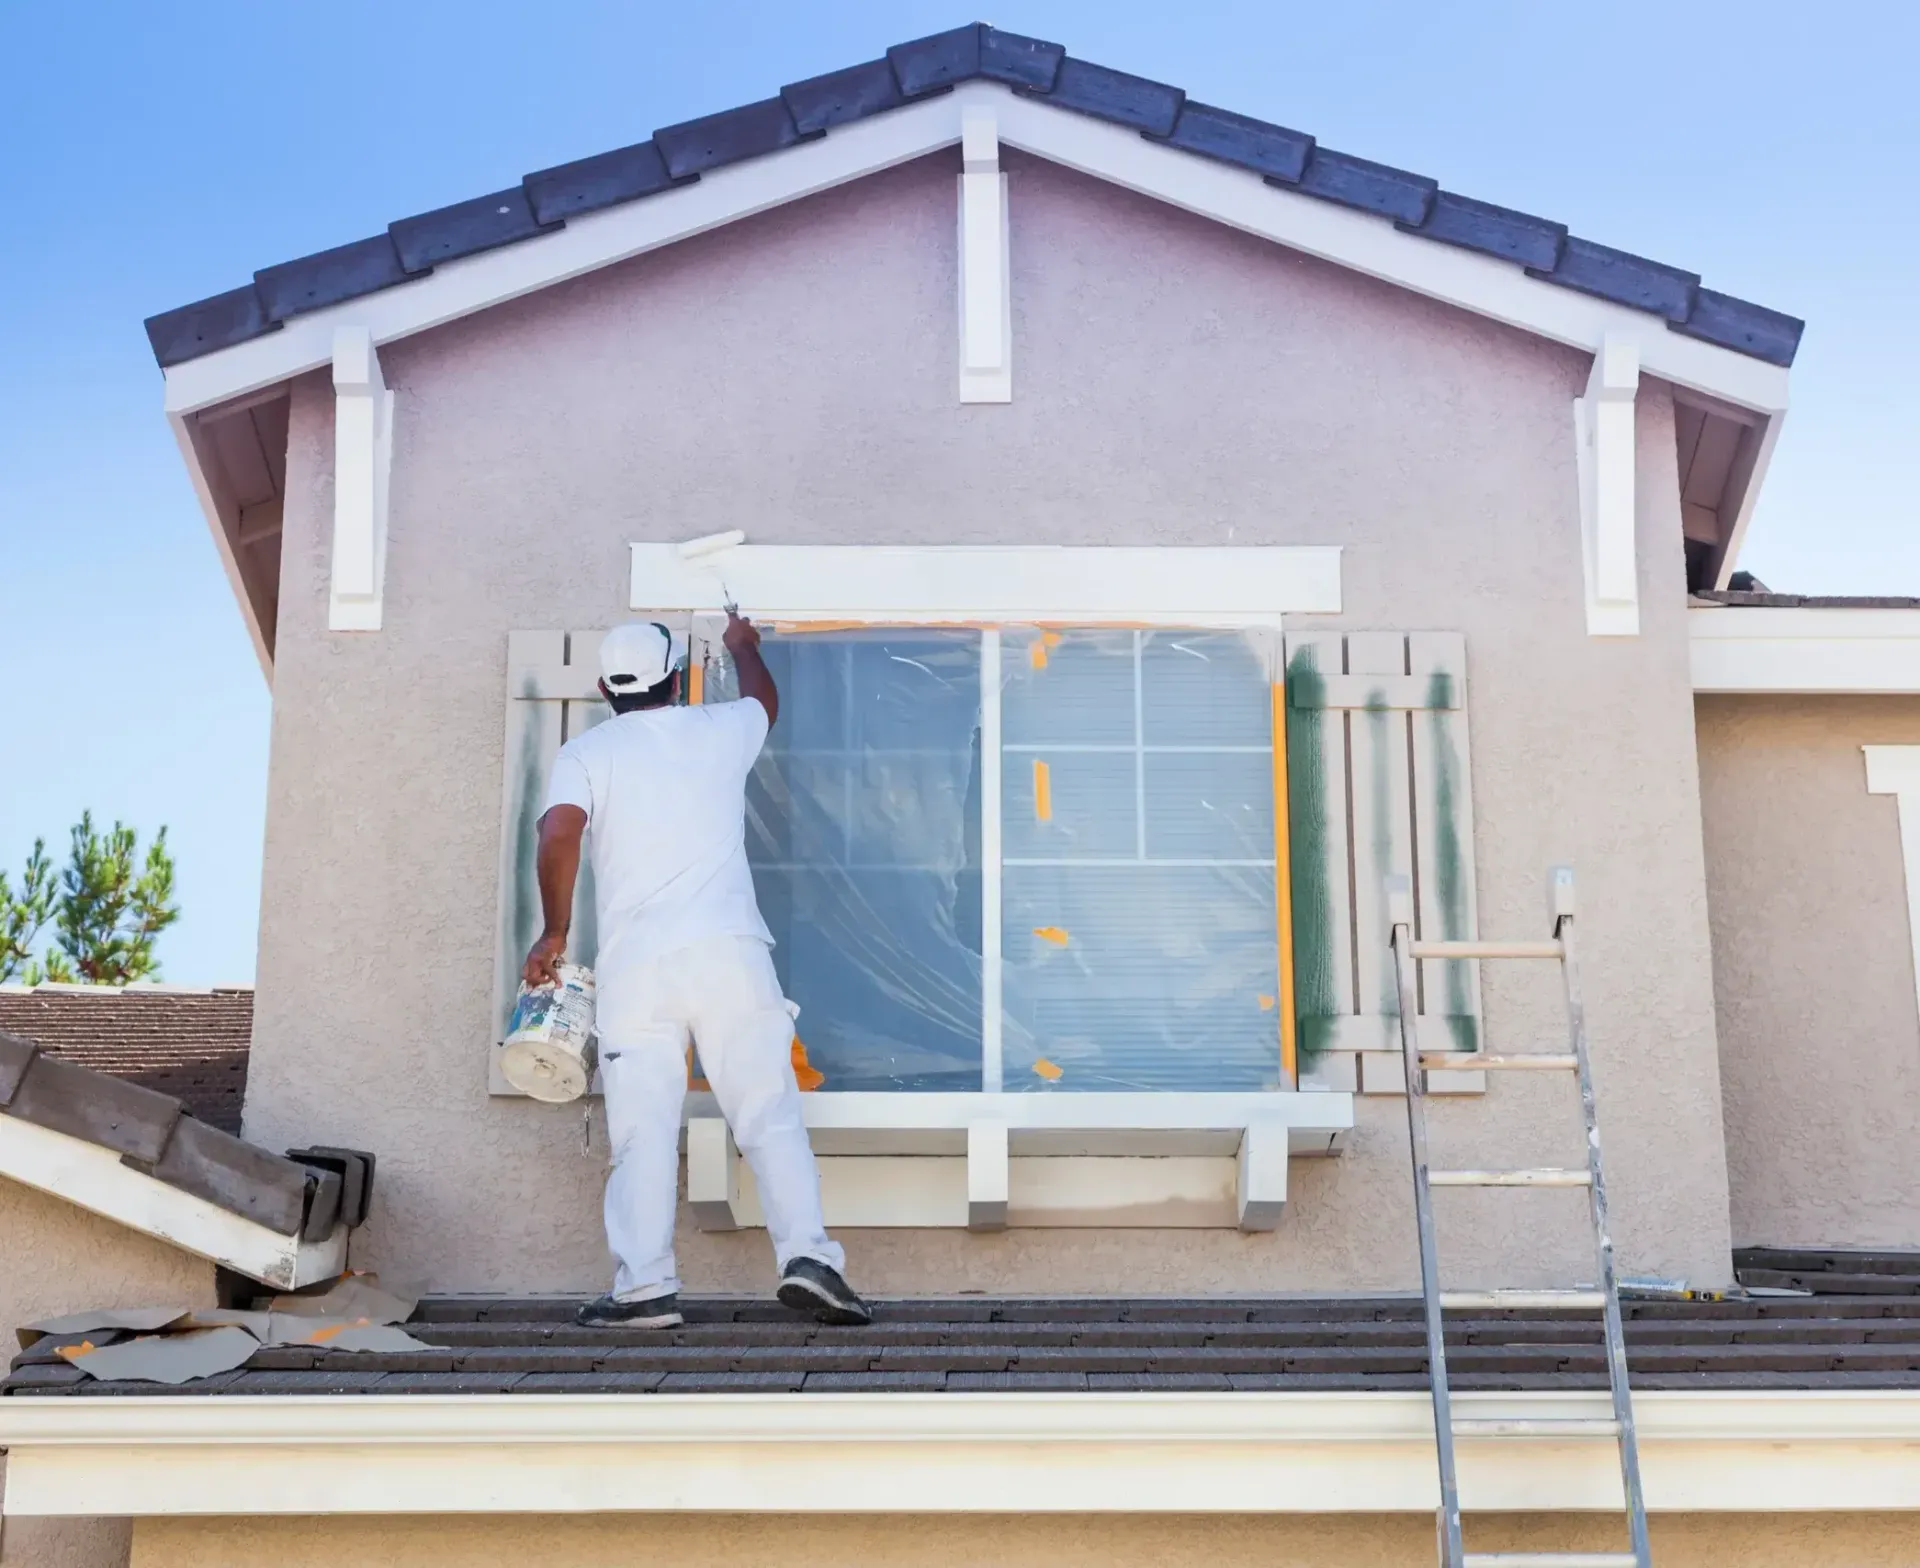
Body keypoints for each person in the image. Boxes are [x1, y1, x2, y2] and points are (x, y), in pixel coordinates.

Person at [523, 614, 870, 1330]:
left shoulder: (585, 753)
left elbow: (558, 833)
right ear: (677, 679)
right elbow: (764, 701)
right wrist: (744, 647)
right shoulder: (719, 729)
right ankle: (812, 1261)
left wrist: (553, 932)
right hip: (729, 956)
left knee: (642, 1131)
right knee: (768, 1114)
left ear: (601, 690)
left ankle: (644, 1289)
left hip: (637, 971)